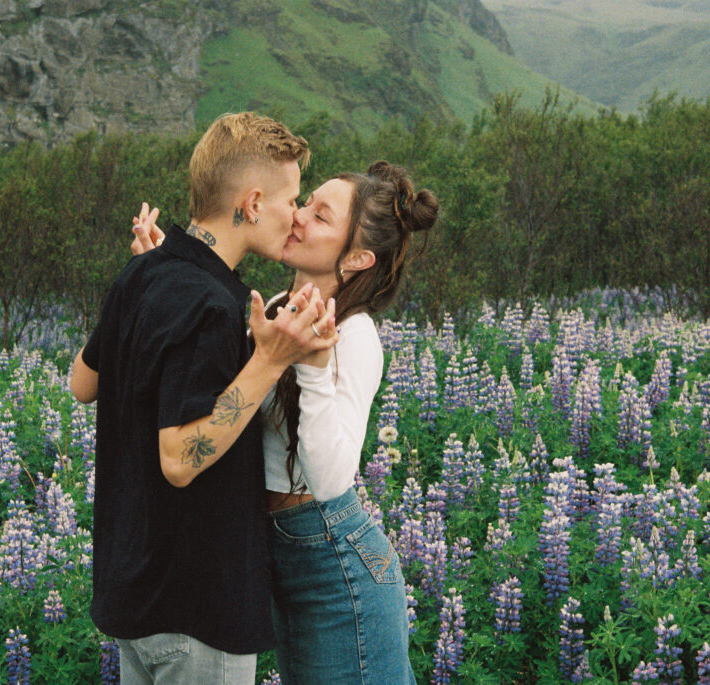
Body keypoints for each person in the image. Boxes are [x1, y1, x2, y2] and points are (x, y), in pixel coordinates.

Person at [132, 160, 439, 684]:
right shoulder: (275, 307)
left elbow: (331, 480)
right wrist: (171, 271)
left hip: (336, 566)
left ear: (358, 258)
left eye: (320, 216)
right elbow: (220, 402)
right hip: (272, 555)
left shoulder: (356, 335)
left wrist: (314, 368)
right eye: (305, 203)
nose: (297, 217)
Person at [69, 111, 339, 685]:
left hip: (134, 591)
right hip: (195, 605)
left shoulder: (142, 273)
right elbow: (178, 458)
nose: (296, 216)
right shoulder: (217, 306)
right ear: (253, 202)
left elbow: (81, 383)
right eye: (291, 200)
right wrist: (269, 361)